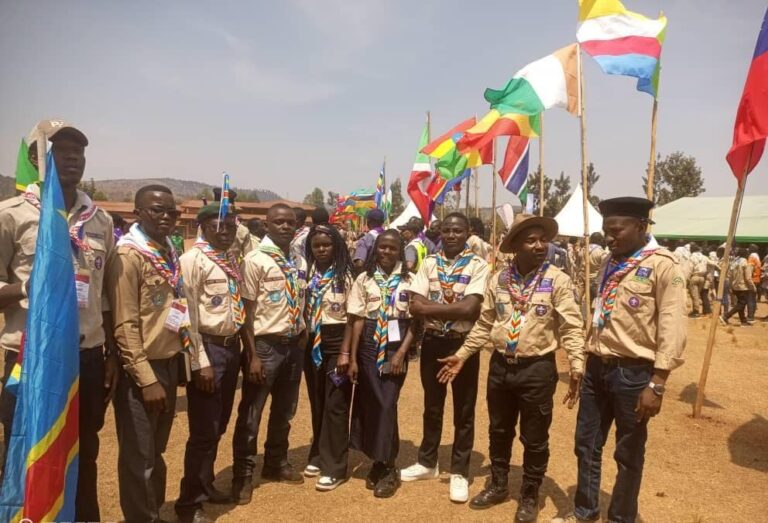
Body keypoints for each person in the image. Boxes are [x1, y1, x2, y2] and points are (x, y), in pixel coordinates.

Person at [0, 120, 119, 521]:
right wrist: (27, 288)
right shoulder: (11, 216)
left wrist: (112, 356)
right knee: (30, 446)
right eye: (61, 150)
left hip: (86, 355)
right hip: (30, 357)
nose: (72, 158)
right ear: (39, 159)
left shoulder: (99, 221)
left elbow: (106, 296)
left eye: (79, 151)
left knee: (84, 450)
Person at [437, 214, 584, 522]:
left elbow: (571, 326)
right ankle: (499, 484)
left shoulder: (558, 279)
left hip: (537, 370)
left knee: (534, 437)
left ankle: (529, 495)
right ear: (516, 245)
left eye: (543, 239)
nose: (540, 245)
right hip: (501, 367)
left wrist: (576, 366)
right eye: (531, 240)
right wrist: (462, 355)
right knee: (499, 430)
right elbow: (485, 324)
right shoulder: (499, 279)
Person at [552, 197, 687, 523]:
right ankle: (584, 511)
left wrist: (657, 383)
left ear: (641, 227)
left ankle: (621, 517)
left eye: (615, 231)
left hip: (634, 374)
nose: (608, 238)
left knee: (628, 454)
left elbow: (673, 326)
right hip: (598, 367)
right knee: (585, 445)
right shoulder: (609, 263)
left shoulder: (663, 266)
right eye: (605, 231)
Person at [106, 184, 187, 522]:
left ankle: (152, 513)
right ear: (137, 213)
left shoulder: (167, 249)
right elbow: (124, 325)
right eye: (157, 210)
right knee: (140, 457)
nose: (166, 217)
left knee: (157, 450)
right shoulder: (129, 255)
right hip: (141, 371)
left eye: (172, 211)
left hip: (168, 363)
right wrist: (146, 379)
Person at [400, 213, 490, 503]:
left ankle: (460, 471)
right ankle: (427, 462)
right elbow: (415, 305)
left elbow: (470, 310)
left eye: (457, 230)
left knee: (463, 410)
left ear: (467, 233)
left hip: (462, 346)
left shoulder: (478, 265)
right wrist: (433, 309)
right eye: (447, 230)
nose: (451, 235)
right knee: (432, 405)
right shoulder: (429, 263)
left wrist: (430, 308)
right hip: (434, 343)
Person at [230, 203, 308, 504]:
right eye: (279, 222)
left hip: (292, 344)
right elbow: (246, 312)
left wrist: (301, 328)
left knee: (285, 410)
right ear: (267, 224)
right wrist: (251, 355)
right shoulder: (255, 260)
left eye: (290, 222)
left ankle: (276, 462)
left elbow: (299, 297)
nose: (286, 227)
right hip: (264, 346)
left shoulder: (297, 258)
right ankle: (243, 475)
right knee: (251, 413)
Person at [175, 203, 246, 522]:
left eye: (230, 225)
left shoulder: (230, 257)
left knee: (219, 424)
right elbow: (185, 314)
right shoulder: (192, 261)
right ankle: (189, 503)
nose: (224, 230)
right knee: (203, 430)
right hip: (208, 350)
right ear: (201, 226)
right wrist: (198, 361)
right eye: (217, 224)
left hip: (231, 349)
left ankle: (205, 483)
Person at [348, 229, 415, 498]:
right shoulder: (364, 279)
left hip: (396, 346)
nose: (387, 252)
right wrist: (352, 357)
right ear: (375, 250)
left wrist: (401, 355)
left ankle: (389, 467)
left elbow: (416, 323)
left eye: (392, 248)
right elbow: (357, 319)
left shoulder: (410, 280)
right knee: (372, 403)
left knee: (387, 403)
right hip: (368, 344)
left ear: (400, 251)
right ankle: (378, 460)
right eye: (382, 247)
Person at [302, 224, 355, 491]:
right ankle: (318, 454)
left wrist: (346, 351)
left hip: (337, 342)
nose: (321, 249)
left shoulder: (346, 274)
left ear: (336, 246)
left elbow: (353, 316)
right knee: (318, 400)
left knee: (336, 403)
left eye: (326, 244)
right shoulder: (309, 272)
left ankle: (335, 467)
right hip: (313, 341)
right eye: (316, 245)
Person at [722, 247, 755, 326]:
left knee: (740, 303)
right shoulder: (745, 263)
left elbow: (729, 275)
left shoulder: (734, 262)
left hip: (735, 286)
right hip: (743, 286)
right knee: (741, 303)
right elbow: (748, 277)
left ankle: (743, 321)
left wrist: (730, 286)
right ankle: (726, 316)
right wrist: (752, 286)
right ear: (745, 254)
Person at [588, 232, 608, 301]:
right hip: (595, 279)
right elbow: (604, 268)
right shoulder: (601, 252)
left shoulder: (583, 249)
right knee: (597, 301)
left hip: (582, 278)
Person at [747, 244, 761, 320]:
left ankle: (750, 316)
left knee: (750, 299)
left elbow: (749, 270)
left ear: (751, 249)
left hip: (752, 280)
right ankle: (752, 315)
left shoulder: (751, 257)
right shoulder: (757, 256)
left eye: (749, 248)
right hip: (757, 279)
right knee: (753, 298)